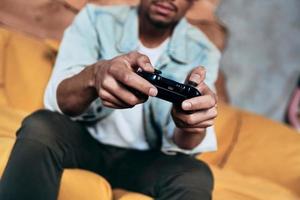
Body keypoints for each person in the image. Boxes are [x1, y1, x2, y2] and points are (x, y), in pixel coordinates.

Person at [0, 0, 220, 199]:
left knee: (196, 174)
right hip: (84, 143)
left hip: (146, 162)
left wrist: (191, 122)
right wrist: (96, 75)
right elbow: (62, 101)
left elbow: (186, 142)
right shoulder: (94, 19)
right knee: (41, 125)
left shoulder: (203, 50)